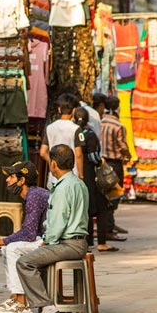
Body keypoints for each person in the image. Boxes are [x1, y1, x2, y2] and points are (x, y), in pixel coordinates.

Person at [15, 145, 90, 313]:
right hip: (78, 241)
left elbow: (58, 221)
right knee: (40, 262)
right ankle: (56, 306)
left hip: (68, 243)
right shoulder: (79, 183)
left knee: (24, 262)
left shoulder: (63, 188)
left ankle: (48, 309)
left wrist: (48, 241)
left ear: (54, 164)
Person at [0, 161, 49, 313]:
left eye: (11, 177)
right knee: (7, 248)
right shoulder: (31, 195)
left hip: (48, 241)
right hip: (40, 238)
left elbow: (28, 234)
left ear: (22, 180)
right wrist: (2, 242)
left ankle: (22, 302)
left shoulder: (35, 196)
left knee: (11, 248)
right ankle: (15, 297)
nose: (7, 180)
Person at [75, 108, 117, 253]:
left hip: (77, 175)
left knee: (84, 209)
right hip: (91, 176)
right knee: (102, 208)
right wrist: (101, 162)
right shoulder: (89, 134)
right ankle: (102, 242)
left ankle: (87, 241)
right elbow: (93, 157)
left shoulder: (75, 132)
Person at [99, 95, 131, 238]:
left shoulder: (100, 122)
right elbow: (122, 146)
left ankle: (109, 224)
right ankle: (108, 228)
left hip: (102, 162)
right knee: (115, 194)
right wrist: (128, 155)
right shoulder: (118, 126)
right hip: (114, 163)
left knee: (104, 194)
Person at [40, 94, 79, 187]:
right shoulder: (76, 129)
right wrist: (81, 175)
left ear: (59, 109)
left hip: (53, 176)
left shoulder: (50, 128)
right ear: (74, 110)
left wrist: (55, 162)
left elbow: (42, 152)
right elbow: (79, 155)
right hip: (72, 176)